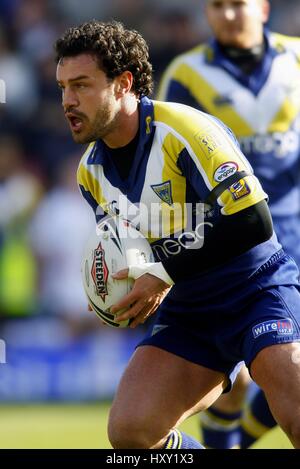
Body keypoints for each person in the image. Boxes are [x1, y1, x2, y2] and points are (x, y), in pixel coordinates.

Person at [54, 19, 300, 449]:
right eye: (62, 88)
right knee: (130, 434)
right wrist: (116, 296)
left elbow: (252, 222)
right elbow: (128, 254)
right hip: (189, 312)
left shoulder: (185, 130)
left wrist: (163, 272)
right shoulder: (89, 173)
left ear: (123, 83)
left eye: (81, 85)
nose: (68, 101)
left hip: (256, 291)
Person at [157, 0, 300, 449]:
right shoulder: (185, 73)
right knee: (231, 377)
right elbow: (166, 157)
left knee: (287, 367)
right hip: (230, 243)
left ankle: (238, 442)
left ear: (263, 7)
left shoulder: (297, 58)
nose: (228, 15)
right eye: (217, 6)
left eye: (238, 4)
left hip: (295, 231)